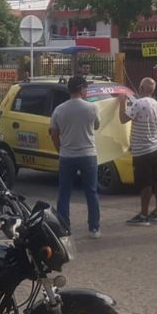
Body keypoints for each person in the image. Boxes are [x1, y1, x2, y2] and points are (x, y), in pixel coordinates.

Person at [49, 75, 102, 238]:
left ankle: (64, 227)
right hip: (88, 155)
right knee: (91, 192)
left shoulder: (59, 109)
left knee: (64, 193)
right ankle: (94, 228)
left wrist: (60, 150)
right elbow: (97, 125)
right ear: (81, 89)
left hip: (67, 156)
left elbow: (54, 134)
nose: (87, 91)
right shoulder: (92, 108)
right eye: (86, 88)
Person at [120, 78, 157, 226]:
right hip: (155, 147)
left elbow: (122, 119)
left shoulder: (138, 104)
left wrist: (122, 101)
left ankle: (143, 215)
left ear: (141, 88)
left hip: (142, 150)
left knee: (145, 183)